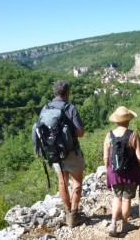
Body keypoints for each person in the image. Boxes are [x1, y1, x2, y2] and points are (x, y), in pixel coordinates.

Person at [43, 80, 85, 228]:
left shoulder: (46, 108)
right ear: (67, 93)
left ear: (54, 93)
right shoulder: (70, 108)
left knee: (62, 182)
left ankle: (67, 211)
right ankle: (74, 215)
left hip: (54, 153)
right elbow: (80, 133)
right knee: (77, 181)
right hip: (71, 151)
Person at [103, 106, 140, 236]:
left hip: (114, 172)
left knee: (117, 198)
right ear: (128, 120)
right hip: (130, 173)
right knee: (126, 199)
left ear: (116, 120)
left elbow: (106, 157)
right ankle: (125, 224)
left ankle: (113, 224)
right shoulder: (133, 134)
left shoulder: (109, 135)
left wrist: (109, 169)